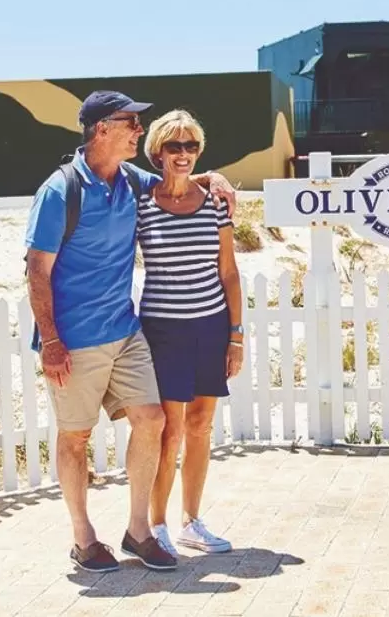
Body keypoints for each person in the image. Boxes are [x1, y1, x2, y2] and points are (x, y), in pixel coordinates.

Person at [24, 90, 236, 574]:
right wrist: (51, 341)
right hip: (74, 342)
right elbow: (37, 270)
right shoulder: (60, 191)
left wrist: (212, 175)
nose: (140, 132)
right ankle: (83, 538)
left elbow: (176, 176)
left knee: (153, 421)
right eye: (131, 124)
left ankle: (139, 531)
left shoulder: (130, 180)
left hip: (125, 330)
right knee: (75, 438)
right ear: (102, 130)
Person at [135, 109, 243, 558]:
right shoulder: (139, 202)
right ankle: (155, 525)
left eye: (191, 146)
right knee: (169, 431)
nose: (183, 154)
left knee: (200, 426)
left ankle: (191, 522)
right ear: (157, 151)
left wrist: (236, 336)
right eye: (174, 146)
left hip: (211, 326)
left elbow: (229, 272)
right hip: (163, 331)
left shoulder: (216, 202)